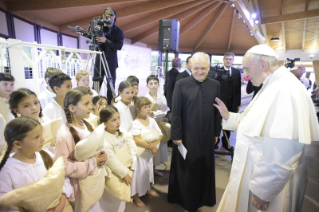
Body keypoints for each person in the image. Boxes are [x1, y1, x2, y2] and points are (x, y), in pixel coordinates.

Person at [214, 44, 319, 212]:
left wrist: (264, 191)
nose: (245, 75)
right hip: (256, 171)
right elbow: (254, 123)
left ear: (263, 65)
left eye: (247, 69)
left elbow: (284, 149)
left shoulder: (286, 89)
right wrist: (230, 117)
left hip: (267, 183)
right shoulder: (272, 84)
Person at [167, 52, 221, 211]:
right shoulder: (181, 84)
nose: (200, 71)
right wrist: (176, 136)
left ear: (209, 68)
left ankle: (204, 198)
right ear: (190, 67)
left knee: (205, 167)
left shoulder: (215, 84)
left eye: (203, 68)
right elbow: (175, 112)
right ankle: (186, 200)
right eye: (196, 68)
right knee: (187, 169)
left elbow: (217, 112)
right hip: (186, 135)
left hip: (208, 134)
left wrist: (216, 132)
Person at [0, 117, 73, 212]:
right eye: (36, 137)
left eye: (41, 135)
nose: (43, 139)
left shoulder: (47, 156)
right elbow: (6, 204)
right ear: (18, 144)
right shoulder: (6, 170)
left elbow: (62, 179)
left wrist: (61, 203)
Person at [55, 87, 108, 211]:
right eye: (86, 104)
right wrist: (93, 162)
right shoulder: (64, 135)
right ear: (72, 108)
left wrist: (103, 154)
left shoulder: (88, 124)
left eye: (90, 103)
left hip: (94, 182)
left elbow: (98, 144)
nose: (91, 107)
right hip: (80, 188)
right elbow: (63, 166)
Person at [99, 105, 137, 212]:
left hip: (126, 165)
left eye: (118, 118)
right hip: (116, 170)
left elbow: (130, 144)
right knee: (114, 198)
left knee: (121, 204)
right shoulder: (105, 139)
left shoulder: (121, 132)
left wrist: (133, 160)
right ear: (104, 123)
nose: (118, 122)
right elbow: (112, 160)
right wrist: (125, 173)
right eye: (113, 120)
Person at [131, 97, 163, 207]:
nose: (148, 109)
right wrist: (150, 146)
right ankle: (135, 196)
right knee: (138, 174)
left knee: (148, 171)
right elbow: (137, 139)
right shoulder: (135, 123)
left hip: (149, 153)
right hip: (140, 153)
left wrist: (154, 145)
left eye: (149, 106)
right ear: (138, 109)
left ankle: (146, 188)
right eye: (145, 107)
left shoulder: (152, 120)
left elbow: (160, 134)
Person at [95, 7, 124, 105]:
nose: (109, 16)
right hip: (99, 59)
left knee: (110, 85)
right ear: (103, 16)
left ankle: (110, 106)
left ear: (115, 17)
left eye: (111, 15)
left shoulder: (118, 31)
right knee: (96, 83)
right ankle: (94, 104)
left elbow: (119, 46)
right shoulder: (99, 28)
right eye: (107, 14)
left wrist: (106, 41)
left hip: (111, 61)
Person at [214, 52, 241, 152]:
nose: (228, 61)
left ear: (233, 60)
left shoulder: (236, 72)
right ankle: (215, 142)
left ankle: (225, 143)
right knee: (218, 122)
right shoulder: (218, 72)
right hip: (221, 102)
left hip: (232, 103)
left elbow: (238, 89)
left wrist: (238, 103)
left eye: (230, 59)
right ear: (223, 60)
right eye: (227, 59)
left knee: (229, 123)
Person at [145, 75, 170, 177]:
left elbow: (164, 111)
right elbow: (147, 113)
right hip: (149, 125)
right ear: (147, 85)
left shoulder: (162, 96)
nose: (153, 86)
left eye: (155, 83)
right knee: (151, 146)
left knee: (159, 148)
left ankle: (154, 169)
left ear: (158, 85)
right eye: (151, 83)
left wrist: (155, 114)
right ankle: (148, 172)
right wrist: (157, 115)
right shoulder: (145, 98)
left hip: (159, 125)